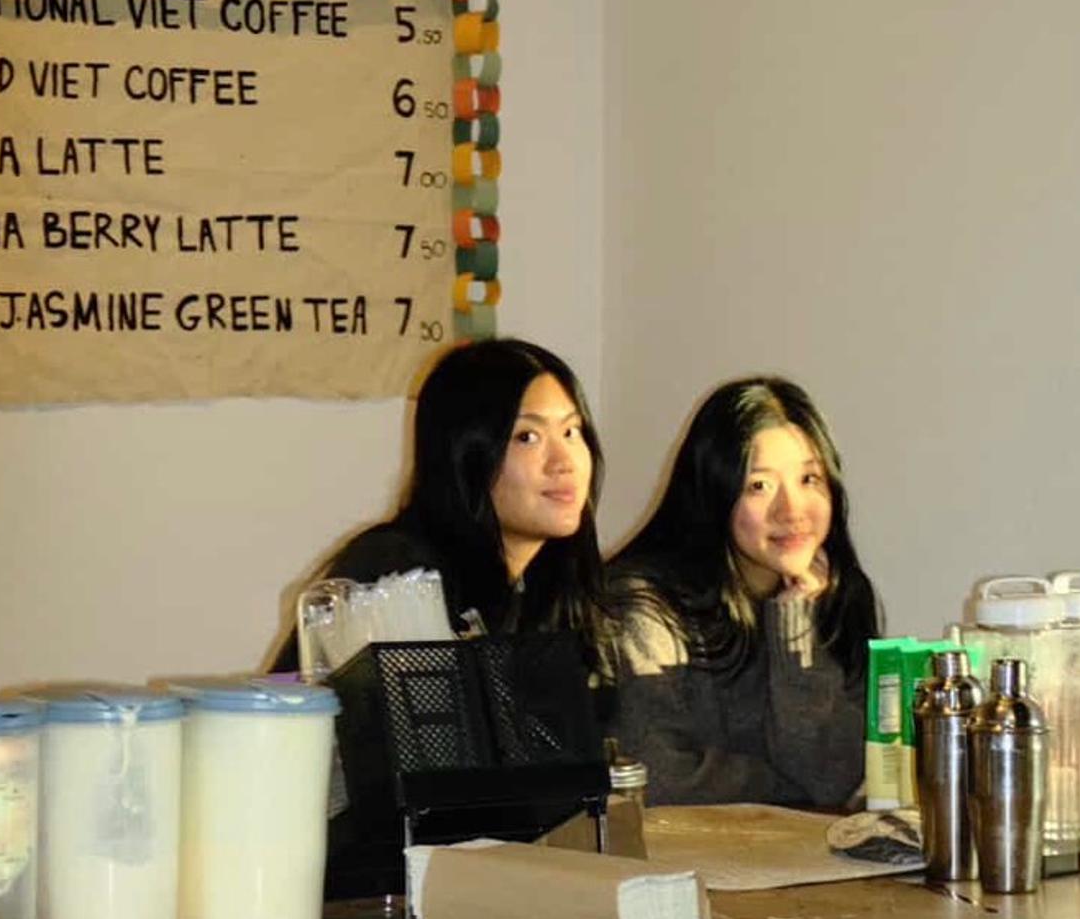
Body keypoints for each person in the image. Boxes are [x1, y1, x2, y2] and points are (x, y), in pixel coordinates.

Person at [606, 376, 881, 807]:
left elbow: (838, 780)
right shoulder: (643, 606)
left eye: (809, 479)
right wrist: (785, 789)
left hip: (796, 865)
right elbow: (656, 776)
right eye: (759, 486)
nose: (792, 511)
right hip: (675, 866)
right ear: (713, 492)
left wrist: (797, 629)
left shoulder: (834, 597)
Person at [268, 338, 610, 673]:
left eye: (572, 431)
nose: (564, 462)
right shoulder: (399, 576)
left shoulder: (550, 583)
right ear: (464, 455)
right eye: (527, 437)